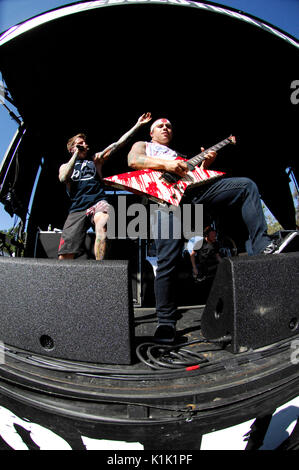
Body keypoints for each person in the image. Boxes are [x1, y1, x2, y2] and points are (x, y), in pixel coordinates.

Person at [127, 117, 292, 343]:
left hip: (194, 193)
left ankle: (263, 246)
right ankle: (165, 322)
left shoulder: (179, 154)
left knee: (245, 186)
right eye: (160, 126)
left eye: (169, 126)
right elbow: (133, 160)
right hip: (165, 201)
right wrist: (167, 165)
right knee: (167, 260)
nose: (166, 128)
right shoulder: (144, 146)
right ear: (152, 133)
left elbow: (193, 177)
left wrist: (205, 165)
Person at [58, 112, 152, 260]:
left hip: (98, 202)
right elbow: (63, 177)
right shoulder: (65, 166)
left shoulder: (96, 160)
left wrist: (138, 125)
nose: (84, 145)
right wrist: (76, 155)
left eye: (84, 143)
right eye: (79, 143)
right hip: (77, 208)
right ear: (71, 148)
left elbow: (118, 144)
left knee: (102, 223)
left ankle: (99, 269)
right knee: (65, 254)